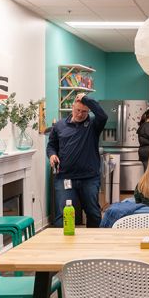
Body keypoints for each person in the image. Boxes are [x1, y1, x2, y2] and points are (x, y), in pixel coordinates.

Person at [47, 93, 108, 227]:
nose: (80, 114)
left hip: (89, 178)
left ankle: (92, 243)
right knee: (64, 214)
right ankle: (63, 245)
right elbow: (51, 145)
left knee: (93, 213)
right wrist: (52, 155)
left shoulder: (93, 125)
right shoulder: (59, 125)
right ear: (72, 107)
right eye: (78, 110)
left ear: (89, 111)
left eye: (84, 111)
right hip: (65, 177)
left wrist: (86, 98)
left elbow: (103, 116)